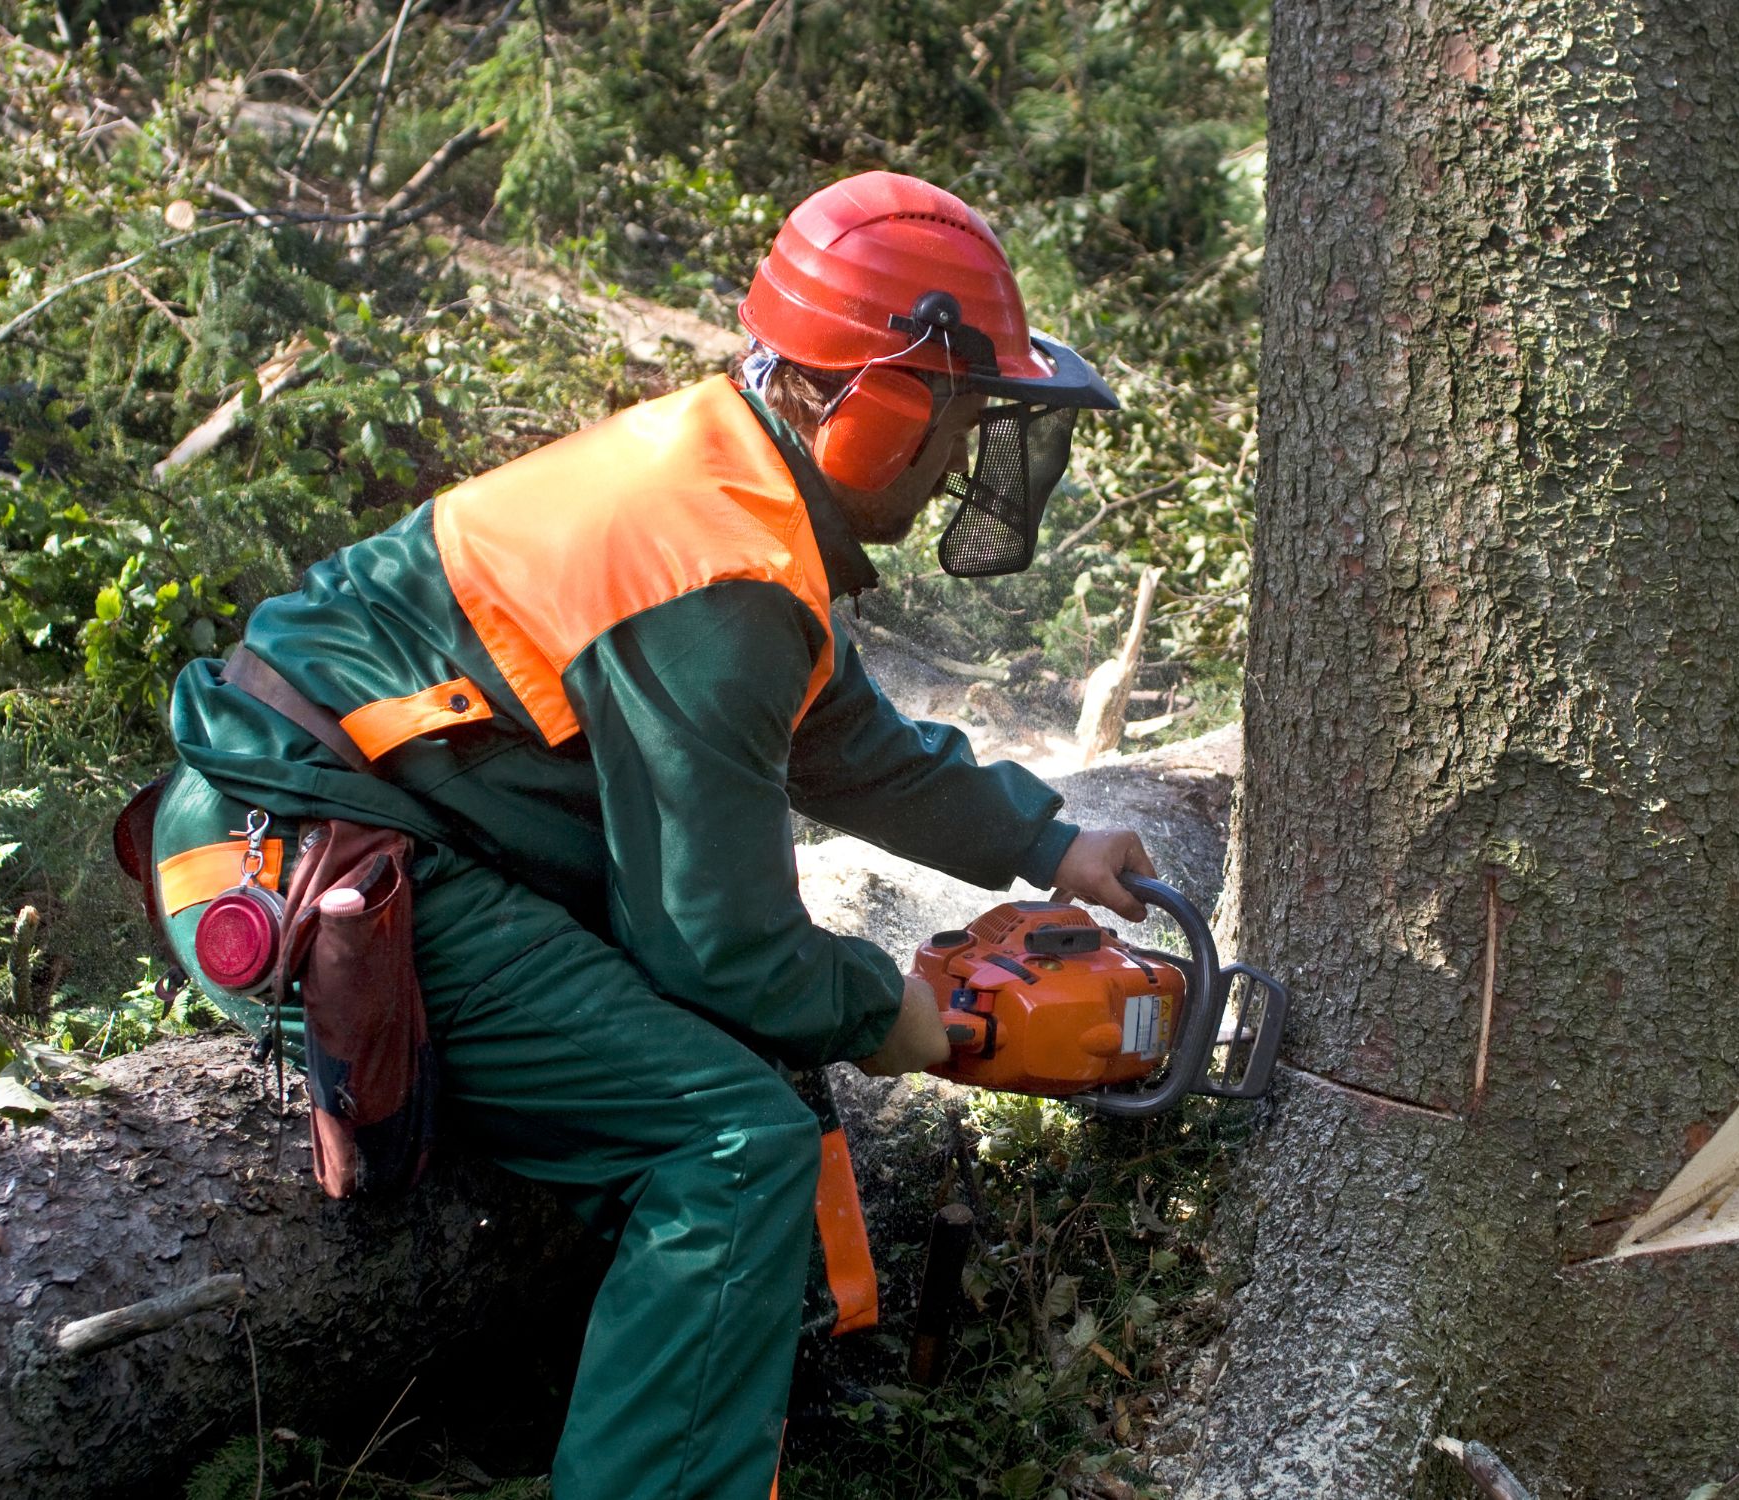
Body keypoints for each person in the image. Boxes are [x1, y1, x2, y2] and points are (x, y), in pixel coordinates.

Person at [140, 170, 1156, 1499]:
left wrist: (1051, 842)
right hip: (319, 864)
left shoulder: (729, 492)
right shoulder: (719, 579)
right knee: (731, 1145)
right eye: (959, 418)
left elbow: (848, 745)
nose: (964, 457)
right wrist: (889, 1011)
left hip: (371, 827)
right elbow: (721, 946)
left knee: (735, 1078)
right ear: (881, 403)